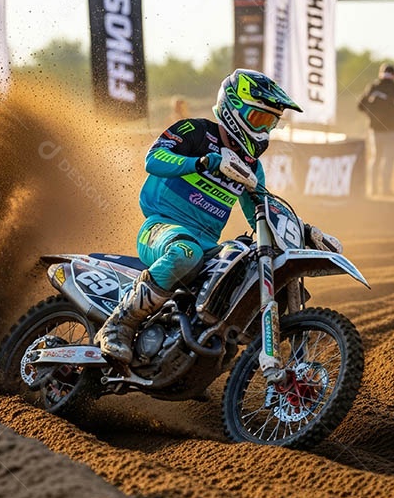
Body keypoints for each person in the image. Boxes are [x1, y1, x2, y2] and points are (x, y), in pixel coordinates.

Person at [95, 69, 343, 375]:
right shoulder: (196, 132)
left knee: (242, 269)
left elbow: (262, 209)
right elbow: (153, 160)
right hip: (162, 227)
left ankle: (193, 362)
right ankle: (119, 324)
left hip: (207, 244)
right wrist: (202, 162)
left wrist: (305, 231)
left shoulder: (252, 166)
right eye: (258, 119)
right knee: (185, 254)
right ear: (233, 108)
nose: (264, 130)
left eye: (270, 123)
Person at [358, 63, 394, 197]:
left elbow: (360, 106)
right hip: (392, 131)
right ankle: (386, 190)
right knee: (389, 160)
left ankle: (373, 189)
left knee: (375, 158)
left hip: (375, 130)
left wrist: (371, 116)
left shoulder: (373, 87)